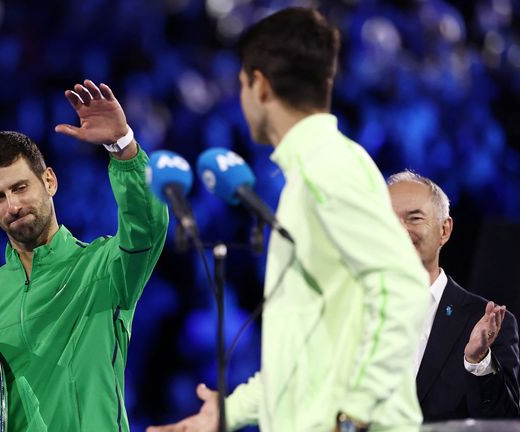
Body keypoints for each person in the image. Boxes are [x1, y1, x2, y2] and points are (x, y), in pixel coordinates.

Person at [148, 8, 429, 432]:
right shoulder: (312, 173)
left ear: (259, 86)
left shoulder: (328, 167)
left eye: (241, 84)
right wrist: (228, 413)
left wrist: (354, 413)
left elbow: (403, 286)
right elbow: (304, 357)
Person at [0, 80, 169, 431]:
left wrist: (123, 147)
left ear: (49, 182)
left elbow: (147, 225)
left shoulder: (104, 270)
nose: (12, 206)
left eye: (21, 187)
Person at [387, 170, 520, 421]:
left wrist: (478, 361)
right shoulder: (352, 309)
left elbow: (505, 423)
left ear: (444, 230)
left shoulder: (485, 324)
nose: (400, 231)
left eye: (414, 218)